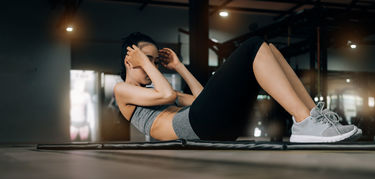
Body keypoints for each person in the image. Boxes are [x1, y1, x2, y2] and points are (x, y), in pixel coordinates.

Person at [114, 32, 362, 142]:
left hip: (211, 126)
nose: (150, 68)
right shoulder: (122, 91)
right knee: (253, 44)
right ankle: (304, 122)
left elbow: (204, 99)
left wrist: (179, 66)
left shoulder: (159, 95)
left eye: (154, 62)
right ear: (129, 61)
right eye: (145, 62)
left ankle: (312, 117)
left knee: (268, 48)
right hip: (201, 128)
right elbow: (166, 93)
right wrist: (147, 63)